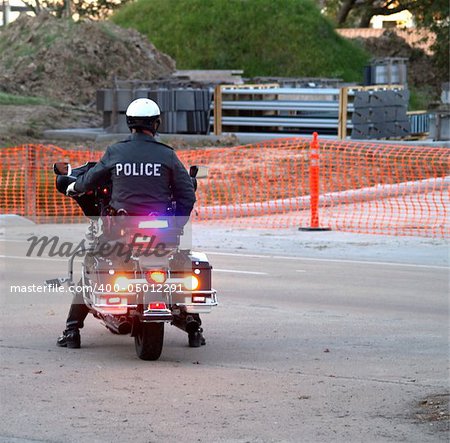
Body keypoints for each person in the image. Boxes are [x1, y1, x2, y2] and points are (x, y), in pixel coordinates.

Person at [57, 98, 204, 349]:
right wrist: (176, 225)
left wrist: (73, 186)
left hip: (120, 230)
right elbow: (187, 194)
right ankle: (193, 324)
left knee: (92, 264)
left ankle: (72, 331)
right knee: (176, 263)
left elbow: (90, 180)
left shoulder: (116, 151)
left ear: (129, 124)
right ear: (156, 123)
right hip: (161, 232)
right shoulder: (167, 155)